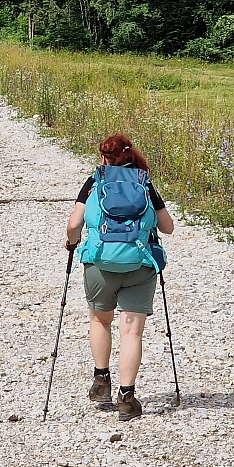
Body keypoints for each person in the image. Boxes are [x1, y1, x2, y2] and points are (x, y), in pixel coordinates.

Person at [64, 133, 174, 421]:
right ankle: (126, 398)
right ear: (131, 154)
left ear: (103, 157)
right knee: (132, 333)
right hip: (140, 264)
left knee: (100, 320)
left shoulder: (94, 182)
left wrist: (72, 243)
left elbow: (74, 224)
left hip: (99, 264)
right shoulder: (144, 183)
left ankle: (101, 381)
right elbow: (168, 227)